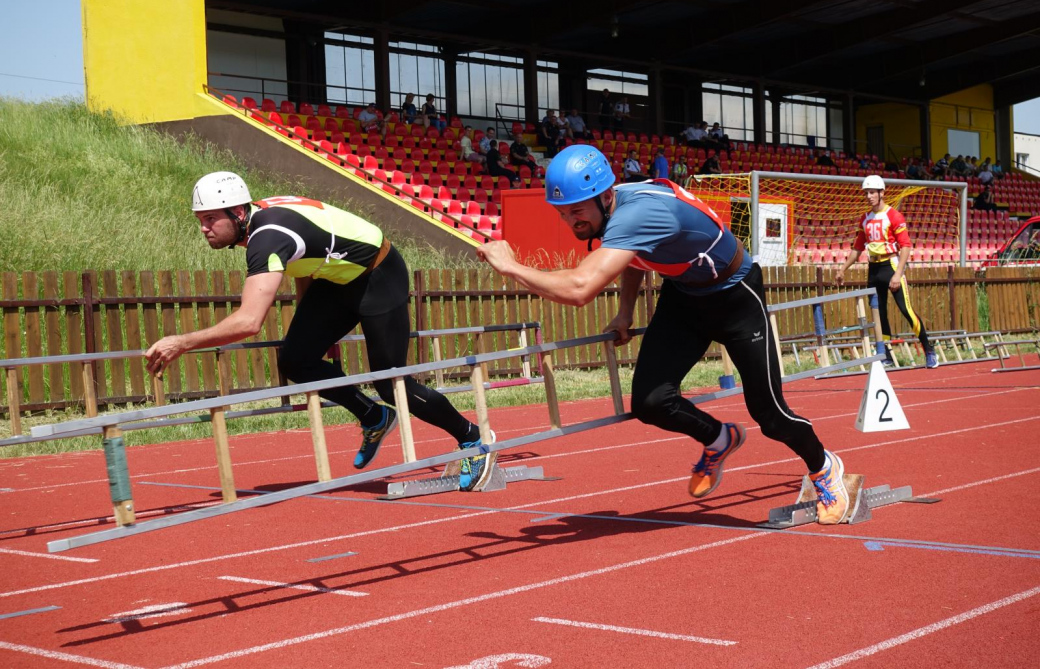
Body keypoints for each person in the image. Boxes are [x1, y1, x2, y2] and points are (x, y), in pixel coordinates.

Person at [475, 145, 852, 525]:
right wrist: (625, 311)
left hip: (735, 297)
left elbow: (579, 289)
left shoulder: (640, 212)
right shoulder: (619, 207)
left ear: (606, 197)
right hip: (685, 297)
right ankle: (720, 439)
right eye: (562, 213)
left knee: (770, 416)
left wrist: (510, 267)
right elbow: (634, 253)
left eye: (577, 211)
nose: (571, 222)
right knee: (650, 401)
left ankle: (824, 468)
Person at [144, 173, 495, 489]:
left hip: (378, 274)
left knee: (390, 382)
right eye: (199, 220)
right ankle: (374, 417)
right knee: (296, 359)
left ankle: (473, 437)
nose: (204, 228)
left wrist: (183, 342)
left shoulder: (266, 237)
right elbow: (308, 257)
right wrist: (316, 329)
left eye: (210, 219)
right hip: (336, 279)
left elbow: (249, 321)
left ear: (238, 213)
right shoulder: (260, 220)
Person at [835, 175, 938, 369]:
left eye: (872, 192)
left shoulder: (894, 216)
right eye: (866, 193)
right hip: (873, 269)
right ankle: (886, 354)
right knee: (878, 314)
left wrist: (898, 274)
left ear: (882, 193)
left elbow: (906, 246)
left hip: (891, 265)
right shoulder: (864, 219)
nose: (869, 196)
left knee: (906, 310)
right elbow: (857, 249)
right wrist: (842, 269)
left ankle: (929, 349)